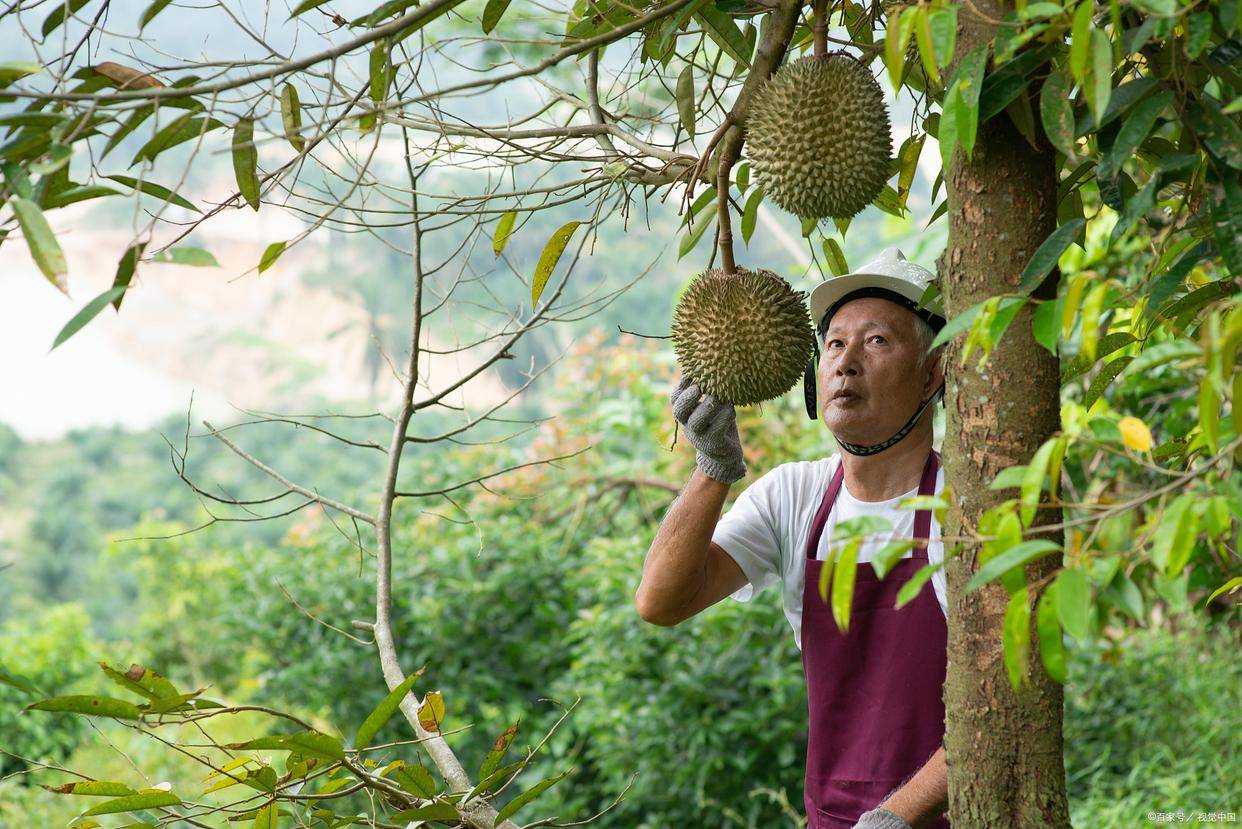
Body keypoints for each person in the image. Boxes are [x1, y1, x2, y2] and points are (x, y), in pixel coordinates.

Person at [636, 248, 952, 829]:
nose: (846, 362)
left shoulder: (964, 506)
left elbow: (1002, 698)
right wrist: (714, 466)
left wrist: (896, 819)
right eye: (834, 343)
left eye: (877, 341)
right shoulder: (794, 496)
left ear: (931, 373)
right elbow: (661, 601)